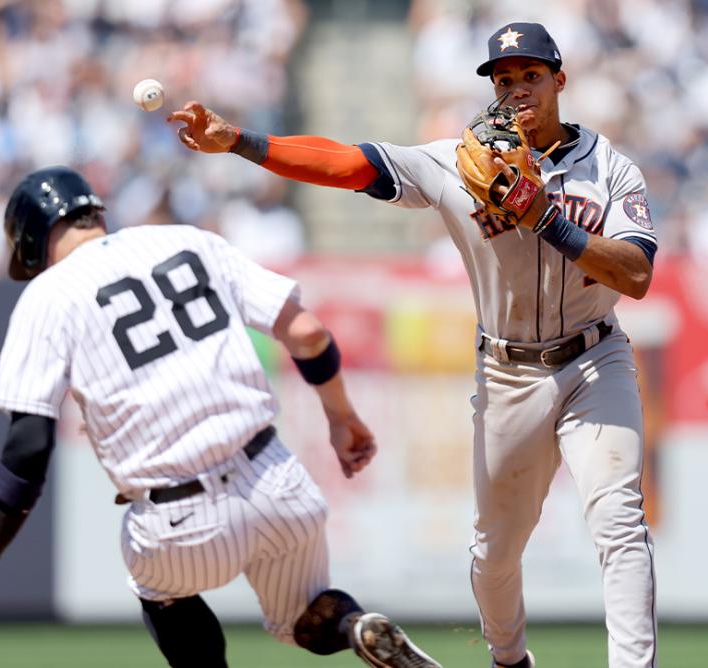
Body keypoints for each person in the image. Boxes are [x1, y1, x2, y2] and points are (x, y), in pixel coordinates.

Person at [167, 21, 658, 668]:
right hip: (510, 375)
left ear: (559, 81)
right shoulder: (458, 163)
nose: (516, 90)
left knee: (619, 521)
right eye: (504, 79)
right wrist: (239, 141)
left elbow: (637, 275)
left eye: (530, 77)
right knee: (494, 552)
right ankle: (509, 661)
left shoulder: (612, 170)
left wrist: (547, 220)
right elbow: (348, 164)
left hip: (598, 361)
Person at [0, 166, 442, 668]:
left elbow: (29, 445)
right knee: (304, 620)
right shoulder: (189, 240)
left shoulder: (47, 296)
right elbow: (307, 334)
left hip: (178, 520)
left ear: (32, 241)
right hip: (277, 481)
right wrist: (340, 417)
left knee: (161, 592)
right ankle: (354, 626)